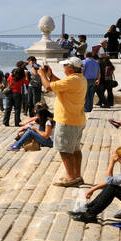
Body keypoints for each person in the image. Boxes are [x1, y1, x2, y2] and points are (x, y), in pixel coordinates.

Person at [39, 57, 87, 187]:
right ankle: (77, 176)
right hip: (77, 119)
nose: (63, 68)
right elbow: (61, 84)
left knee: (64, 150)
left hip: (67, 120)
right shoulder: (80, 78)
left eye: (65, 65)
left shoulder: (72, 80)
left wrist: (42, 75)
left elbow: (48, 86)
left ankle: (70, 177)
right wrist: (51, 75)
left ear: (70, 67)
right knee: (75, 150)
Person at [3, 62, 27, 127]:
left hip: (9, 93)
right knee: (17, 109)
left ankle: (5, 121)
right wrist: (26, 75)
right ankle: (17, 122)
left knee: (8, 108)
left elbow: (7, 81)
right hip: (17, 93)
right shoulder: (21, 78)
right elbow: (27, 82)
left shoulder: (11, 76)